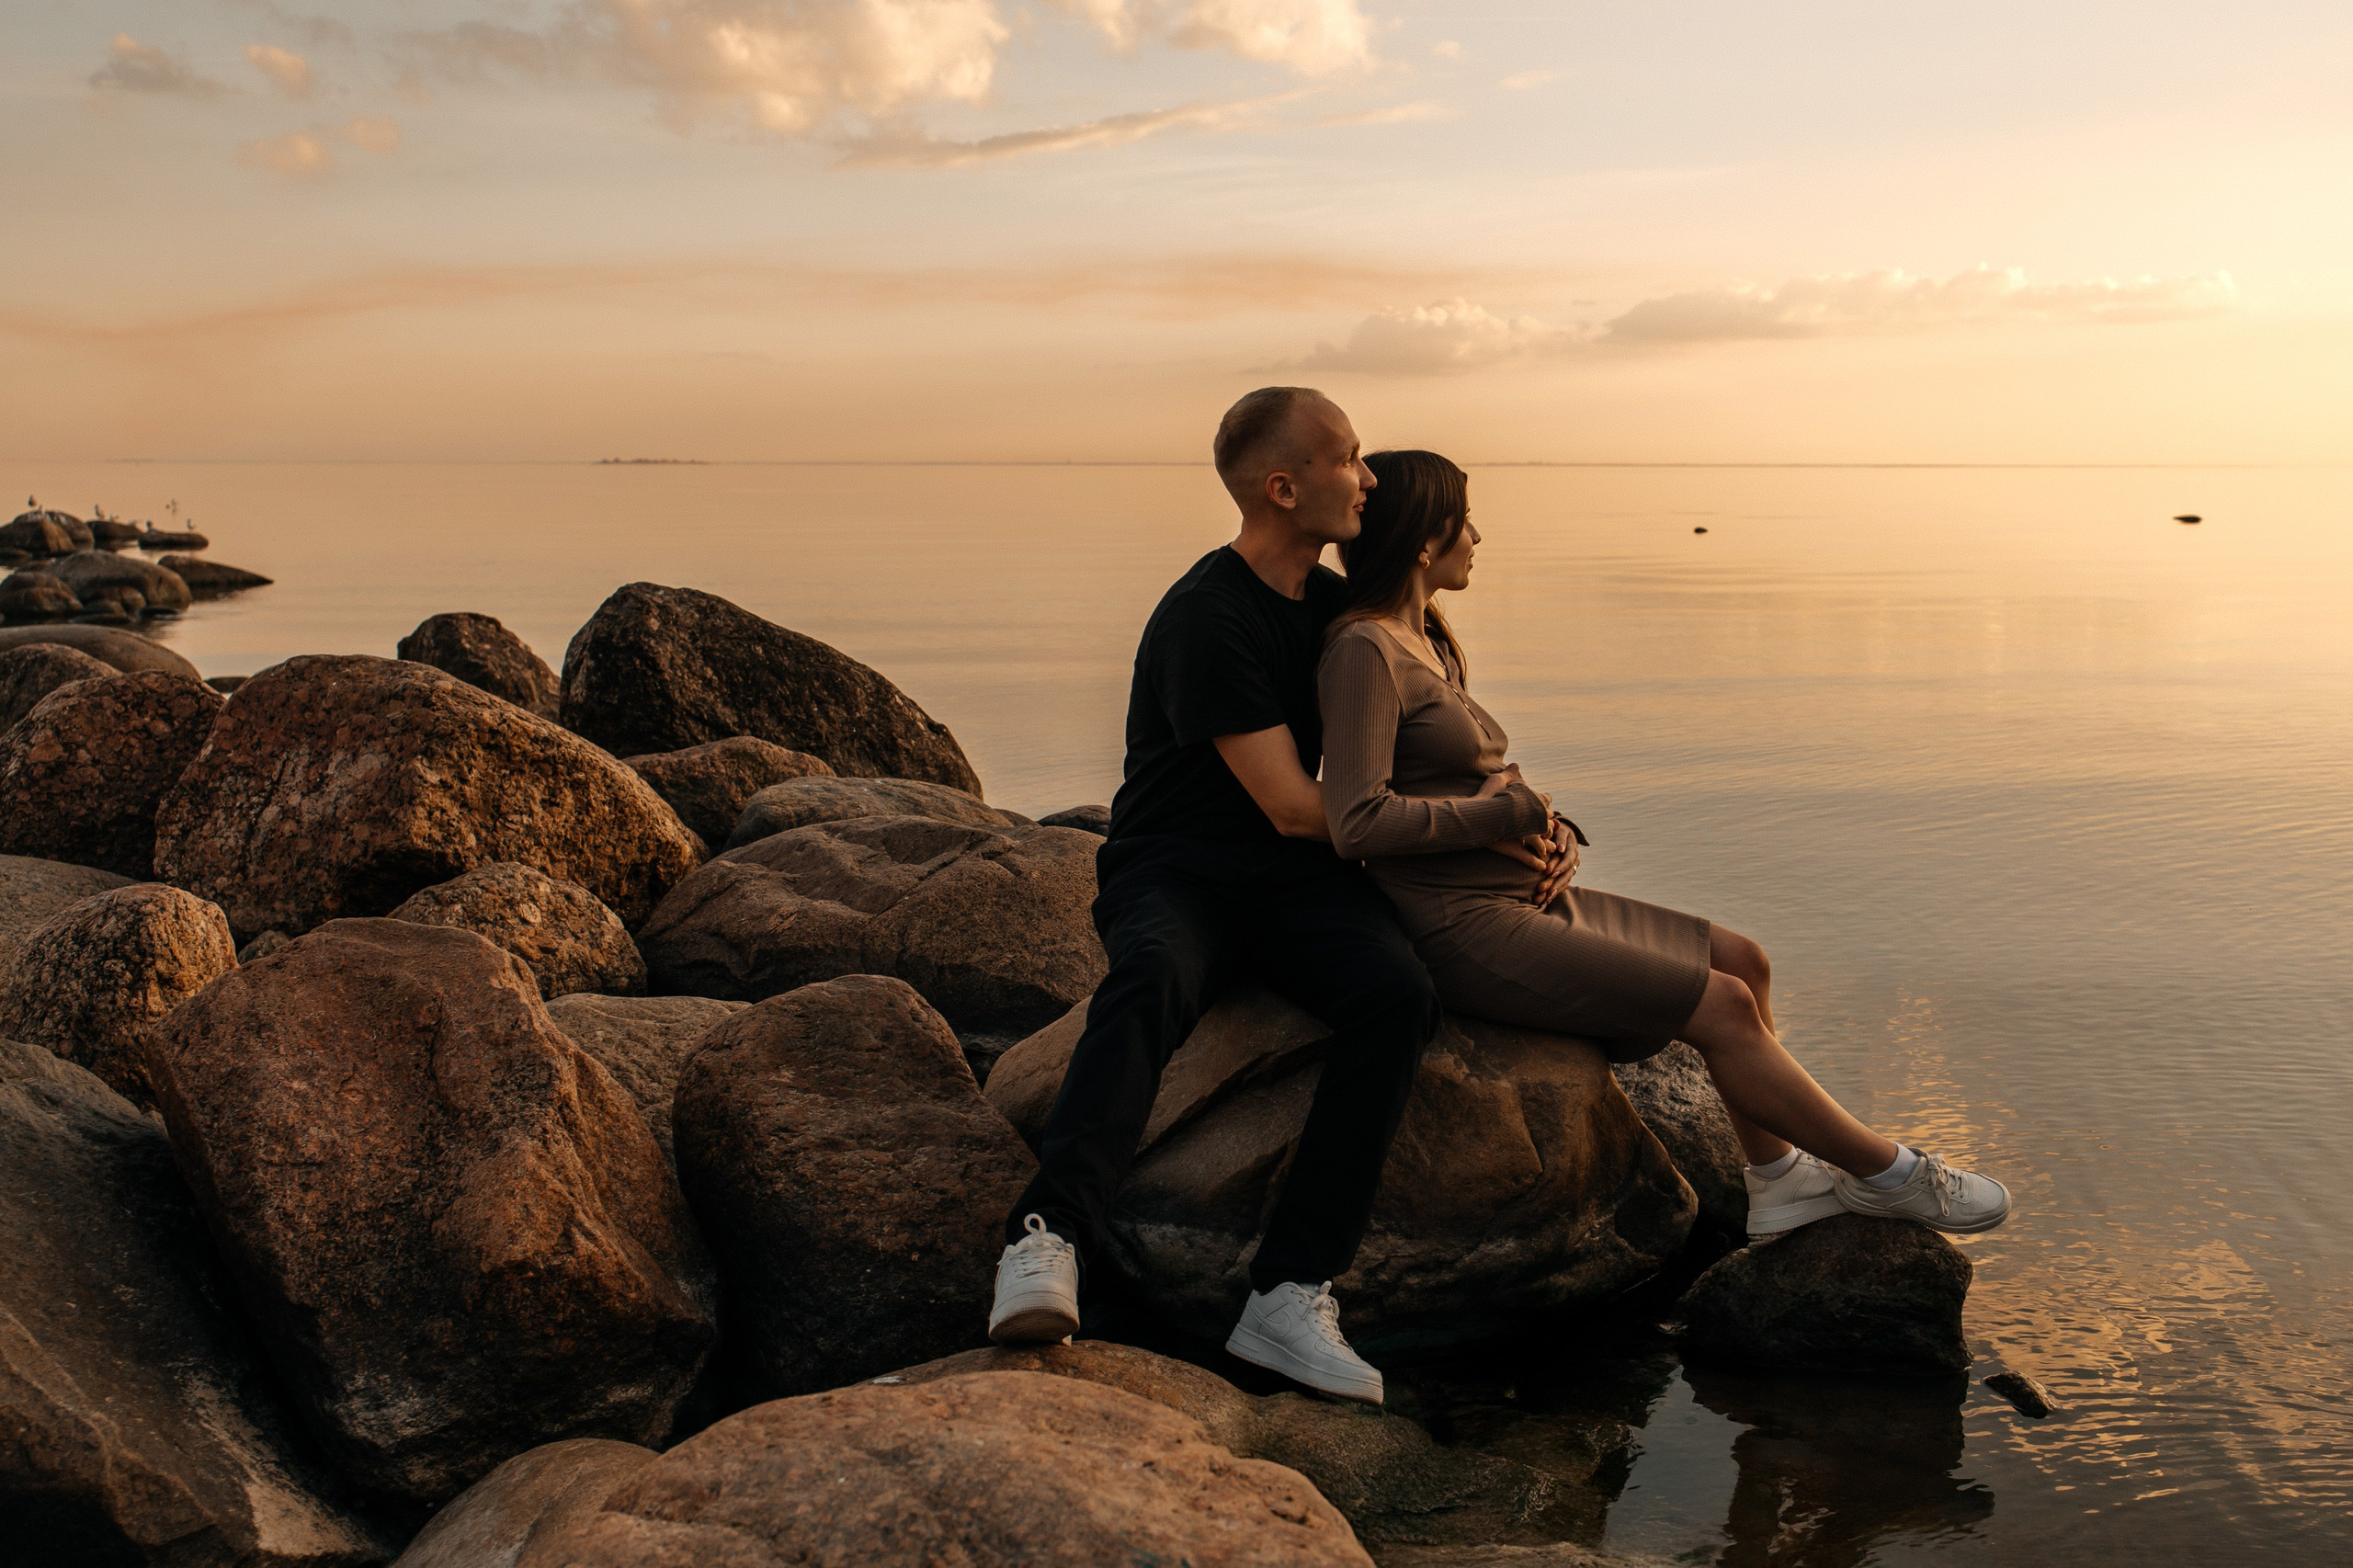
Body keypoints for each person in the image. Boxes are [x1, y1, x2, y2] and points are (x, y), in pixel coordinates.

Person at [1313, 449, 2011, 1240]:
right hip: (1459, 926)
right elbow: (1358, 822)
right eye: (1462, 520)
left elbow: (1479, 776)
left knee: (1742, 961)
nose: (1477, 535)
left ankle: (1777, 1180)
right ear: (1422, 541)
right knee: (1721, 1004)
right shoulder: (1363, 651)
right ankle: (1890, 1174)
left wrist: (1556, 831)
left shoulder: (1426, 638)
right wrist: (1511, 818)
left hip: (1523, 894)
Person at [988, 389, 1442, 1404]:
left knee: (1396, 992)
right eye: (1350, 458)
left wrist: (1526, 824)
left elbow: (1416, 760)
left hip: (1297, 881)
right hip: (1179, 866)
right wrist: (1452, 826)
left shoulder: (1336, 616)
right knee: (1153, 975)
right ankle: (1047, 1235)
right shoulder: (1207, 613)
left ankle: (1289, 1292)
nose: (1368, 477)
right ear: (1284, 487)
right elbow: (1292, 803)